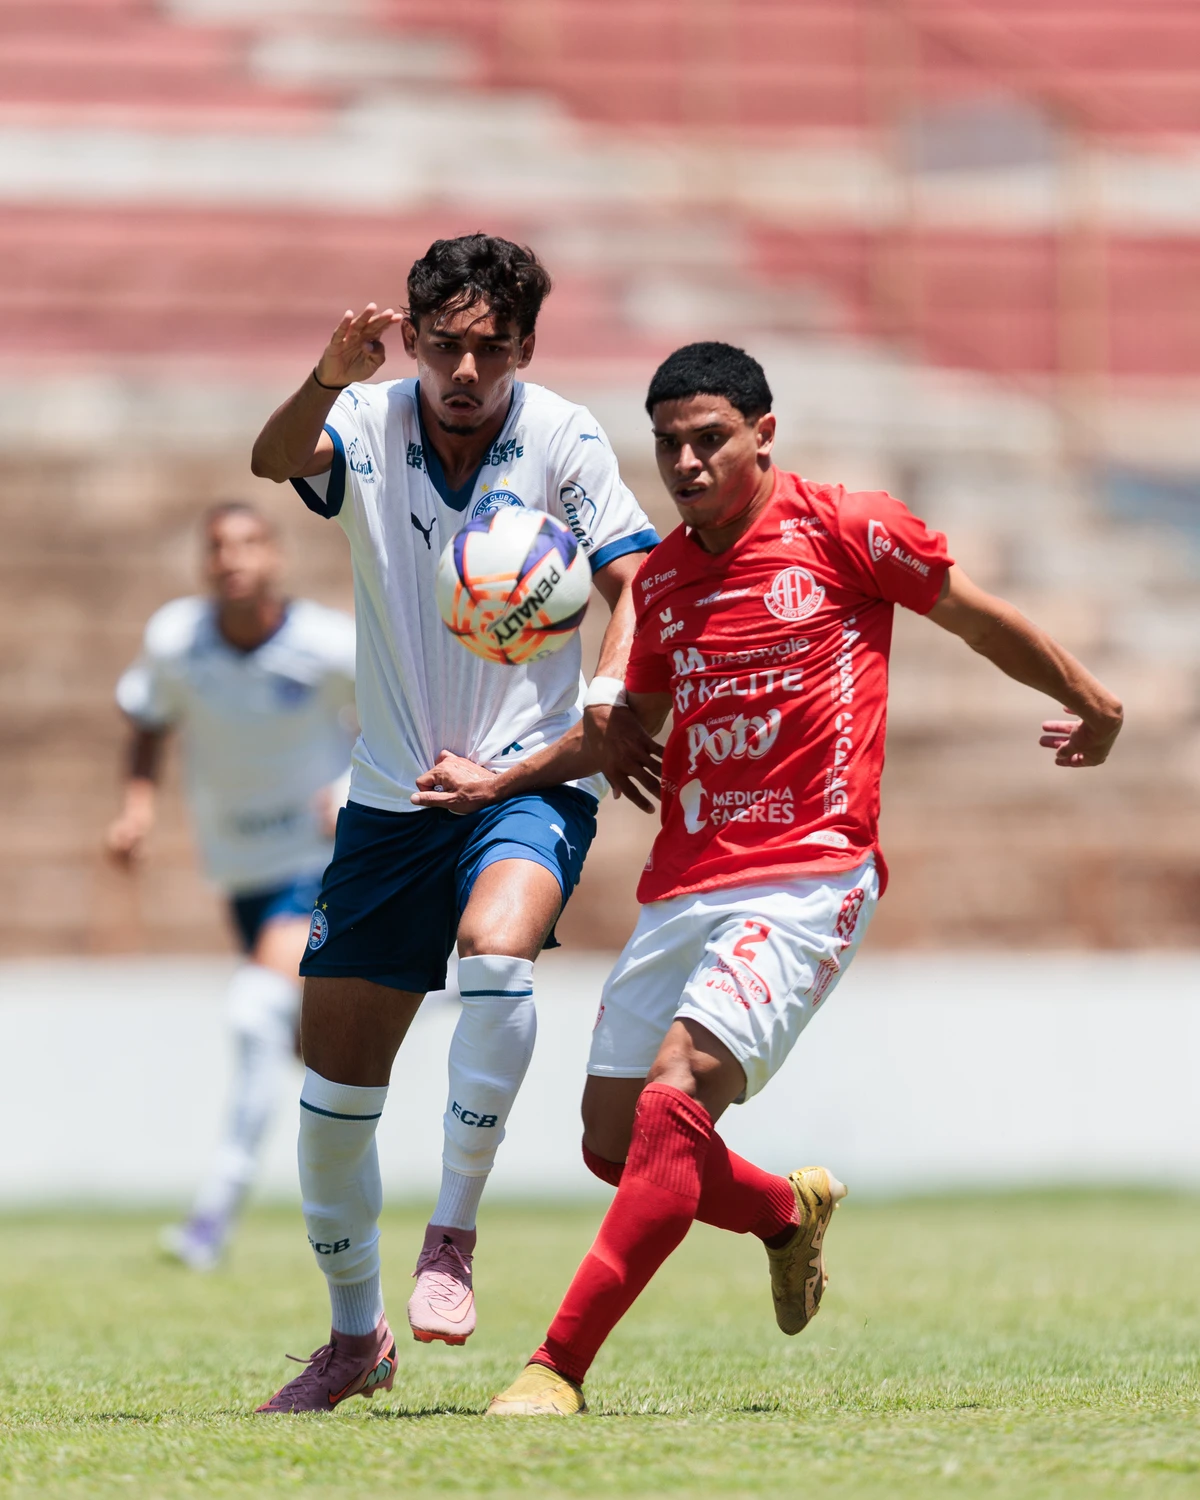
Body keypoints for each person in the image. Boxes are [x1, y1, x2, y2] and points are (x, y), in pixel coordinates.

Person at [487, 340, 1124, 1415]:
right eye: (668, 446)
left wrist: (1093, 701)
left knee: (675, 1094)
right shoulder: (668, 585)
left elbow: (973, 617)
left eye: (708, 441)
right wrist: (494, 775)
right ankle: (786, 1213)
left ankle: (557, 1366)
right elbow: (627, 730)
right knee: (615, 1144)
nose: (685, 464)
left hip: (808, 875)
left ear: (762, 435)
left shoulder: (846, 527)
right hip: (686, 878)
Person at [248, 234, 661, 1412]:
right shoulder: (369, 422)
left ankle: (453, 1235)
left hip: (527, 780)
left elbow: (634, 580)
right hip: (389, 797)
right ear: (415, 339)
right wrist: (328, 375)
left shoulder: (565, 439)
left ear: (524, 348)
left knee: (496, 953)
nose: (466, 368)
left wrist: (599, 704)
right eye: (446, 345)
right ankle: (352, 1338)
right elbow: (275, 457)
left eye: (492, 347)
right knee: (333, 1104)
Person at [107, 501, 357, 1270]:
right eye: (218, 546)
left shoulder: (326, 645)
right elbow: (148, 718)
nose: (233, 558)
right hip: (240, 871)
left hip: (317, 862)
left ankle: (214, 1213)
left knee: (254, 1012)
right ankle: (408, 987)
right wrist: (136, 808)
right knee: (301, 1040)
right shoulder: (175, 641)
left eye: (249, 543)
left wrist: (351, 782)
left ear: (275, 557)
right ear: (203, 563)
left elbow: (400, 714)